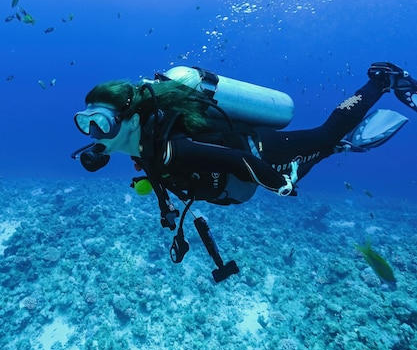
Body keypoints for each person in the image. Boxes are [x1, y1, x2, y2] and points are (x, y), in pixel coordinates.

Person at [71, 61, 417, 281]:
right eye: (85, 123)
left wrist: (275, 182)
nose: (93, 133)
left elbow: (235, 162)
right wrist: (167, 210)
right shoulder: (144, 146)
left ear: (131, 121)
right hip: (241, 173)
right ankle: (332, 149)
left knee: (325, 136)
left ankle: (381, 81)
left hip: (260, 150)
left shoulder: (167, 148)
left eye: (101, 122)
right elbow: (158, 173)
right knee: (310, 160)